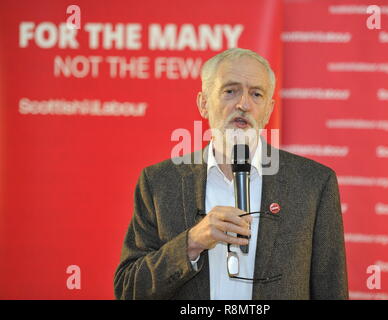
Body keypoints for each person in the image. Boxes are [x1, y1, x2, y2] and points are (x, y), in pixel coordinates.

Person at [114, 48, 348, 300]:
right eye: (230, 91)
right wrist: (191, 243)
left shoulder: (313, 183)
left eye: (256, 94)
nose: (243, 104)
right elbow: (129, 289)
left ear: (268, 110)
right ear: (203, 103)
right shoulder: (159, 182)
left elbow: (330, 291)